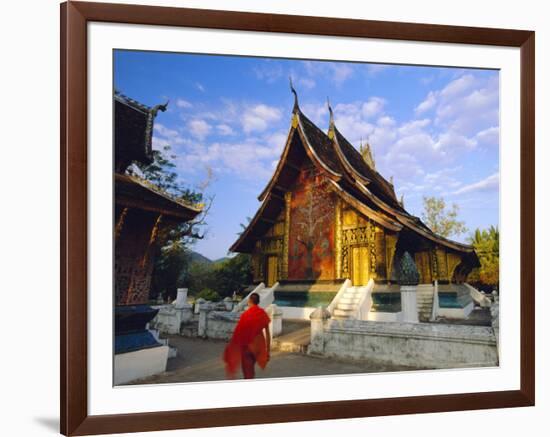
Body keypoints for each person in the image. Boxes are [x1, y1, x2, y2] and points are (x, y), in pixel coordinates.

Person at [223, 292, 271, 379]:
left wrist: (231, 347)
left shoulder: (246, 315)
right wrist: (268, 351)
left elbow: (239, 333)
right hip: (257, 347)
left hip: (247, 348)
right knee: (250, 370)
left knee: (248, 373)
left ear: (249, 301)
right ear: (258, 302)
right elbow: (267, 334)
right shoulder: (262, 314)